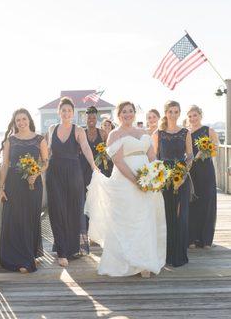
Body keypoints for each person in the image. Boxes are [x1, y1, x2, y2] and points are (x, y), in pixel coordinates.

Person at [85, 101, 166, 277]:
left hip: (147, 182)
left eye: (130, 111)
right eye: (124, 112)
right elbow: (119, 161)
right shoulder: (114, 134)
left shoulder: (143, 132)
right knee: (128, 220)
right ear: (118, 114)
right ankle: (127, 262)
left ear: (134, 113)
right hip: (126, 182)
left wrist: (157, 175)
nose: (127, 114)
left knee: (145, 219)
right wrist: (136, 180)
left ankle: (144, 263)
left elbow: (152, 156)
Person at [46, 97, 97, 267]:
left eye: (69, 110)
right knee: (56, 210)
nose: (66, 113)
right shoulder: (52, 128)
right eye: (63, 110)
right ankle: (61, 251)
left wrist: (93, 165)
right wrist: (37, 167)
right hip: (54, 173)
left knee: (74, 209)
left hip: (74, 173)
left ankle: (72, 247)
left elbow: (86, 148)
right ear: (58, 112)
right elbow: (46, 152)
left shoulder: (78, 130)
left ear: (73, 113)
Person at [0, 108, 48, 273]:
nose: (21, 122)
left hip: (33, 185)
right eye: (18, 120)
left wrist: (36, 173)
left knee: (30, 219)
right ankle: (20, 259)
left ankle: (29, 254)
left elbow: (45, 162)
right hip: (14, 185)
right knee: (15, 220)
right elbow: (5, 164)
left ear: (29, 120)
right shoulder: (10, 141)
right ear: (15, 123)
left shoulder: (39, 139)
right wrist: (1, 188)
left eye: (24, 119)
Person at [152, 101, 193, 267]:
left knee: (180, 215)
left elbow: (189, 155)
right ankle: (167, 254)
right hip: (164, 177)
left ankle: (179, 255)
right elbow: (154, 157)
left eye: (176, 111)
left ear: (179, 113)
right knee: (166, 214)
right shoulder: (158, 133)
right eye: (171, 111)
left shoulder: (185, 132)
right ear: (166, 113)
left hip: (181, 175)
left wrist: (184, 174)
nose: (174, 114)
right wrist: (159, 175)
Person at [187, 105, 219, 249]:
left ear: (200, 115)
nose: (193, 118)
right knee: (193, 202)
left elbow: (215, 148)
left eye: (195, 115)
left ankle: (206, 239)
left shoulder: (208, 130)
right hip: (191, 170)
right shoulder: (186, 132)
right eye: (190, 116)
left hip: (206, 170)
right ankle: (192, 239)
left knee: (207, 201)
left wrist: (205, 151)